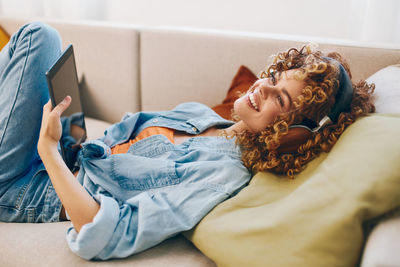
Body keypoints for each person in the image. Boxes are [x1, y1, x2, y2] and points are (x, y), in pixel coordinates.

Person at [0, 22, 375, 260]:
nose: (263, 87)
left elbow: (103, 232)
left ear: (294, 135)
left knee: (37, 36)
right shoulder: (201, 116)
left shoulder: (219, 178)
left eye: (280, 98)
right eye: (275, 78)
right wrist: (70, 135)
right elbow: (125, 134)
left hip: (30, 191)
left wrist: (48, 151)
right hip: (73, 154)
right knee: (41, 37)